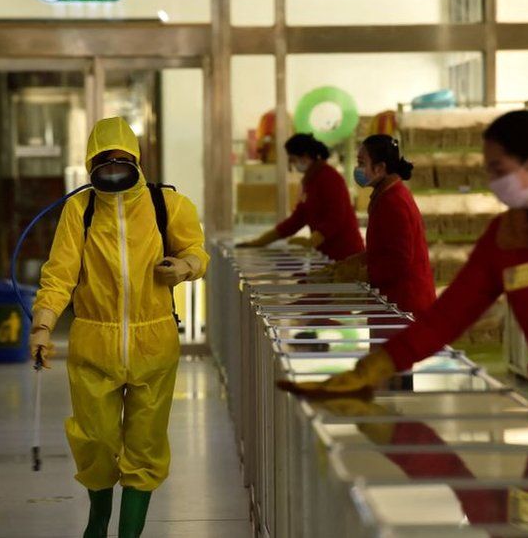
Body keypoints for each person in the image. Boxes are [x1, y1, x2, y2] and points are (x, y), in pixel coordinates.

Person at [280, 110, 528, 487]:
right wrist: (374, 366)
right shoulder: (506, 239)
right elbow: (447, 316)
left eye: (498, 169)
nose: (491, 181)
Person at [30, 117, 209, 538]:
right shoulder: (81, 209)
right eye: (104, 161)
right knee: (94, 440)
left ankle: (128, 534)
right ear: (91, 163)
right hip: (94, 341)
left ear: (137, 160)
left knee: (145, 446)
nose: (114, 168)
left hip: (155, 342)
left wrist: (184, 267)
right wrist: (42, 325)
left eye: (122, 160)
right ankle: (97, 520)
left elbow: (197, 251)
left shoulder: (168, 205)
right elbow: (60, 275)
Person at [327, 134, 436, 318]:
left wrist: (364, 275)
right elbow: (385, 249)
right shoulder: (386, 195)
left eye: (362, 163)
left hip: (405, 306)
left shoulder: (394, 201)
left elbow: (398, 260)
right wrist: (355, 263)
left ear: (380, 168)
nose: (358, 169)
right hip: (393, 302)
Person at [237, 133, 364, 261]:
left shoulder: (329, 177)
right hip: (325, 252)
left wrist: (314, 239)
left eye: (292, 159)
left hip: (345, 252)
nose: (292, 164)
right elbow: (298, 218)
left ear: (305, 156)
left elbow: (336, 215)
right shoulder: (310, 180)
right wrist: (261, 241)